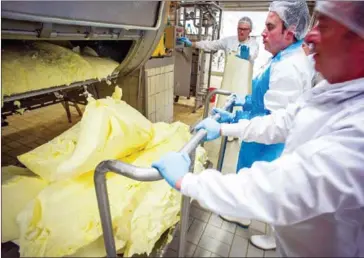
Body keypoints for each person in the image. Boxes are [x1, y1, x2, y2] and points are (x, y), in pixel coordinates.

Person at [152, 1, 364, 256]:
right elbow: (284, 120)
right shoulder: (331, 88)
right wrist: (225, 128)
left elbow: (279, 189)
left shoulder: (356, 132)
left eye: (326, 26)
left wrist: (189, 182)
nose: (311, 35)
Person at [203, 0, 313, 251]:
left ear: (290, 31)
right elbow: (266, 99)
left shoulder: (289, 67)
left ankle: (278, 238)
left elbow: (275, 125)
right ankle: (244, 214)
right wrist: (242, 104)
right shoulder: (282, 57)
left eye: (270, 27)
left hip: (269, 143)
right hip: (260, 133)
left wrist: (225, 128)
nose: (263, 32)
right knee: (252, 178)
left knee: (274, 188)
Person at [177, 16, 259, 63]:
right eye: (239, 28)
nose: (241, 31)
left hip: (244, 81)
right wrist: (192, 44)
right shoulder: (229, 41)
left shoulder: (254, 44)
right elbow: (211, 44)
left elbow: (253, 55)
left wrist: (247, 57)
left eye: (244, 29)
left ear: (250, 30)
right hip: (229, 79)